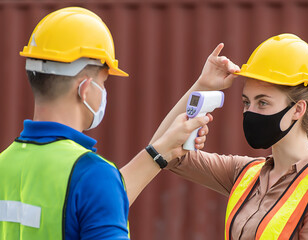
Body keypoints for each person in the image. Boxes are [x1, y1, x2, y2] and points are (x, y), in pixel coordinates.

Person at [0, 7, 240, 239]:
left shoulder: (5, 164)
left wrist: (201, 89)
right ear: (85, 89)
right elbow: (100, 194)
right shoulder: (92, 175)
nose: (104, 92)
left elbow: (99, 199)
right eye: (103, 83)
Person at [151, 34, 308, 239]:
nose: (250, 112)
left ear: (298, 109)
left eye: (263, 103)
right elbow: (160, 150)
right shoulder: (246, 174)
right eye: (246, 102)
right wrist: (203, 85)